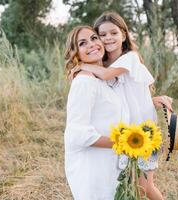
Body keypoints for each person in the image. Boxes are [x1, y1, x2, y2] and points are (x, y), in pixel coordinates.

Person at [70, 11, 173, 200]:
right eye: (102, 34)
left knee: (144, 186)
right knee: (131, 185)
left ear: (124, 35)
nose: (108, 38)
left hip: (145, 132)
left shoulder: (129, 58)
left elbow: (108, 76)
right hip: (128, 133)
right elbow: (124, 98)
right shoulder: (104, 64)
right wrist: (152, 100)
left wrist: (81, 66)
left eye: (114, 33)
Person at [64, 25, 123, 200]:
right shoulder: (84, 81)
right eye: (82, 43)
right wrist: (123, 143)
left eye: (94, 38)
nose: (91, 44)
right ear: (76, 53)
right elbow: (79, 134)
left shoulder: (101, 79)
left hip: (108, 161)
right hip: (92, 166)